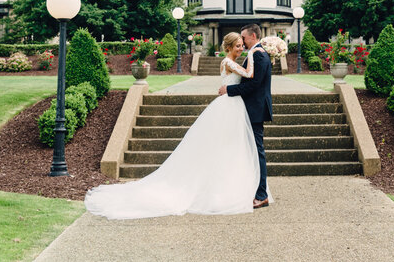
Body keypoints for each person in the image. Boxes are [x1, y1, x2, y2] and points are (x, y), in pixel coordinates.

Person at [84, 32, 269, 220]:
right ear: (229, 47)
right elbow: (249, 74)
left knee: (232, 149)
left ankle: (233, 187)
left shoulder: (235, 60)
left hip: (235, 106)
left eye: (242, 44)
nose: (241, 48)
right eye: (237, 45)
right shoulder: (230, 62)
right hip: (230, 107)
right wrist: (254, 54)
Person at [218, 23, 273, 209]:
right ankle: (248, 190)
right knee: (250, 151)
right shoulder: (257, 54)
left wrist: (228, 89)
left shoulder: (257, 54)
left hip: (255, 109)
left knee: (257, 152)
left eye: (244, 38)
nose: (242, 42)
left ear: (252, 36)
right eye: (239, 41)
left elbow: (253, 84)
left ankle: (261, 194)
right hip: (250, 108)